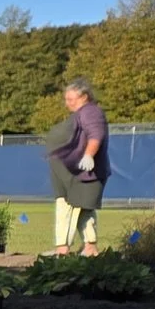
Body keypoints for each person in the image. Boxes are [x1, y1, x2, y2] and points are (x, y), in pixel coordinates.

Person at [45, 78, 109, 256]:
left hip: (83, 174)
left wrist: (89, 154)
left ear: (84, 96)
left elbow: (96, 134)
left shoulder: (90, 112)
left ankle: (62, 249)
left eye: (71, 99)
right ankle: (90, 247)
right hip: (79, 173)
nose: (68, 103)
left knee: (66, 207)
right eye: (66, 99)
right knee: (84, 209)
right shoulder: (85, 112)